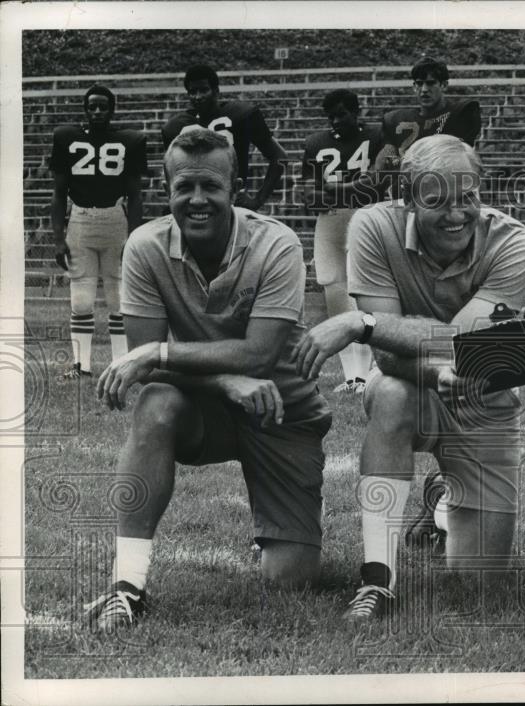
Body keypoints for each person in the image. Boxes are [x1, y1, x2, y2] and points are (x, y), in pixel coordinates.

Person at [84, 128, 331, 631]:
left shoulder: (276, 243)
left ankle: (277, 526)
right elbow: (148, 368)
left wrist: (160, 350)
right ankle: (127, 585)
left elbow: (259, 355)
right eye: (184, 187)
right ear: (167, 187)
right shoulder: (145, 246)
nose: (197, 200)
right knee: (156, 401)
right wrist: (221, 383)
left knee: (290, 578)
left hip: (280, 409)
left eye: (211, 187)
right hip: (210, 407)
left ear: (235, 187)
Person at [292, 134, 525, 621]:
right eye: (437, 201)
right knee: (390, 394)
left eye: (467, 197)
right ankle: (377, 579)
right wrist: (405, 347)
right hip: (414, 387)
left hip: (484, 398)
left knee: (480, 578)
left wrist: (362, 323)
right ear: (407, 201)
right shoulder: (372, 225)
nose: (456, 214)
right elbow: (389, 358)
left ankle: (439, 498)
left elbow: (464, 348)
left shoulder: (515, 243)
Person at [49, 84, 147, 378]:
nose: (97, 112)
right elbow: (58, 192)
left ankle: (120, 364)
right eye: (92, 106)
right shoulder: (67, 138)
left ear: (112, 109)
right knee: (80, 299)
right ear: (85, 109)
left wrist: (135, 235)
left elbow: (136, 195)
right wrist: (57, 238)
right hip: (79, 220)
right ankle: (82, 366)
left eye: (103, 106)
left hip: (115, 220)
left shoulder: (129, 141)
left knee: (119, 298)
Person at [299, 89, 385, 394]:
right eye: (331, 116)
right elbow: (310, 196)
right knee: (335, 293)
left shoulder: (376, 137)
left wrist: (334, 190)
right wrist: (351, 190)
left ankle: (378, 366)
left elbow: (376, 184)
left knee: (368, 292)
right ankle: (354, 377)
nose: (336, 121)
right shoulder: (315, 143)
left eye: (342, 114)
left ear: (356, 111)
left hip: (367, 217)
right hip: (332, 220)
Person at [161, 64, 286, 211]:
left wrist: (258, 200)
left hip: (230, 203)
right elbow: (171, 172)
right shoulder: (176, 126)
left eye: (203, 90)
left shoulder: (242, 115)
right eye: (192, 91)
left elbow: (279, 156)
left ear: (216, 91)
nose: (198, 97)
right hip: (194, 203)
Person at [377, 56, 481, 170]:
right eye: (419, 83)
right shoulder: (394, 120)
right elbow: (385, 164)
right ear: (414, 86)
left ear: (444, 85)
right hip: (407, 183)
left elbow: (461, 161)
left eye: (430, 83)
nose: (424, 89)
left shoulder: (461, 113)